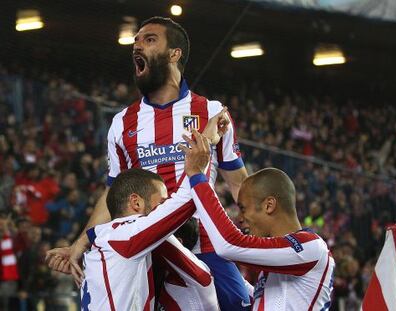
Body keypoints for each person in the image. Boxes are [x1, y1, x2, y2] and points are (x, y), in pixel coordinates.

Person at [47, 16, 250, 310]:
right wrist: (81, 242)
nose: (137, 45)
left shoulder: (211, 111)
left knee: (236, 304)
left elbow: (238, 182)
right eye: (136, 41)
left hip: (203, 240)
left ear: (174, 53)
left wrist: (264, 239)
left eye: (149, 39)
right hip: (148, 246)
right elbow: (114, 193)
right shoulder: (122, 123)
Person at [80, 130, 218, 310]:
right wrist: (203, 152)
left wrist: (79, 243)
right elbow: (187, 200)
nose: (163, 208)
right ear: (136, 202)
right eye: (161, 202)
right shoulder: (126, 235)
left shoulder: (106, 238)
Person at [185, 167, 336, 310]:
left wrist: (197, 177)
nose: (240, 218)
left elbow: (229, 244)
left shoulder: (311, 246)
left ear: (268, 205)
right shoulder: (275, 267)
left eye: (243, 209)